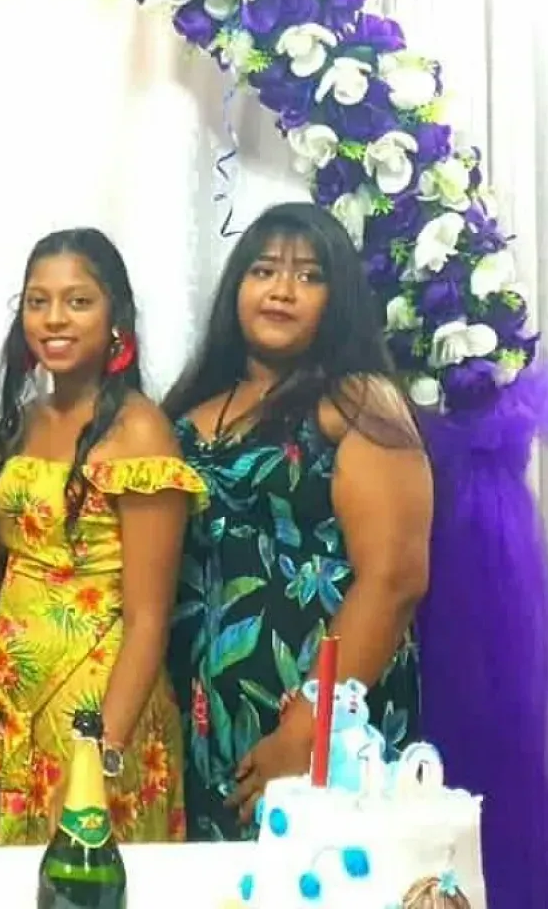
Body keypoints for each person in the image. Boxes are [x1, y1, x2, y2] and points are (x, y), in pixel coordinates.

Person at [162, 202, 430, 841]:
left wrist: (310, 727)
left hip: (323, 723)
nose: (282, 290)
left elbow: (395, 578)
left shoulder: (356, 399)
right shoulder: (186, 412)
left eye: (309, 276)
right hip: (203, 722)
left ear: (339, 301)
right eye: (264, 271)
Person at [0, 228, 204, 845]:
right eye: (37, 301)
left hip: (98, 711)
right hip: (15, 705)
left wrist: (101, 755)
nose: (54, 319)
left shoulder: (140, 433)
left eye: (78, 301)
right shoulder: (24, 422)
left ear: (115, 320)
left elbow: (149, 619)